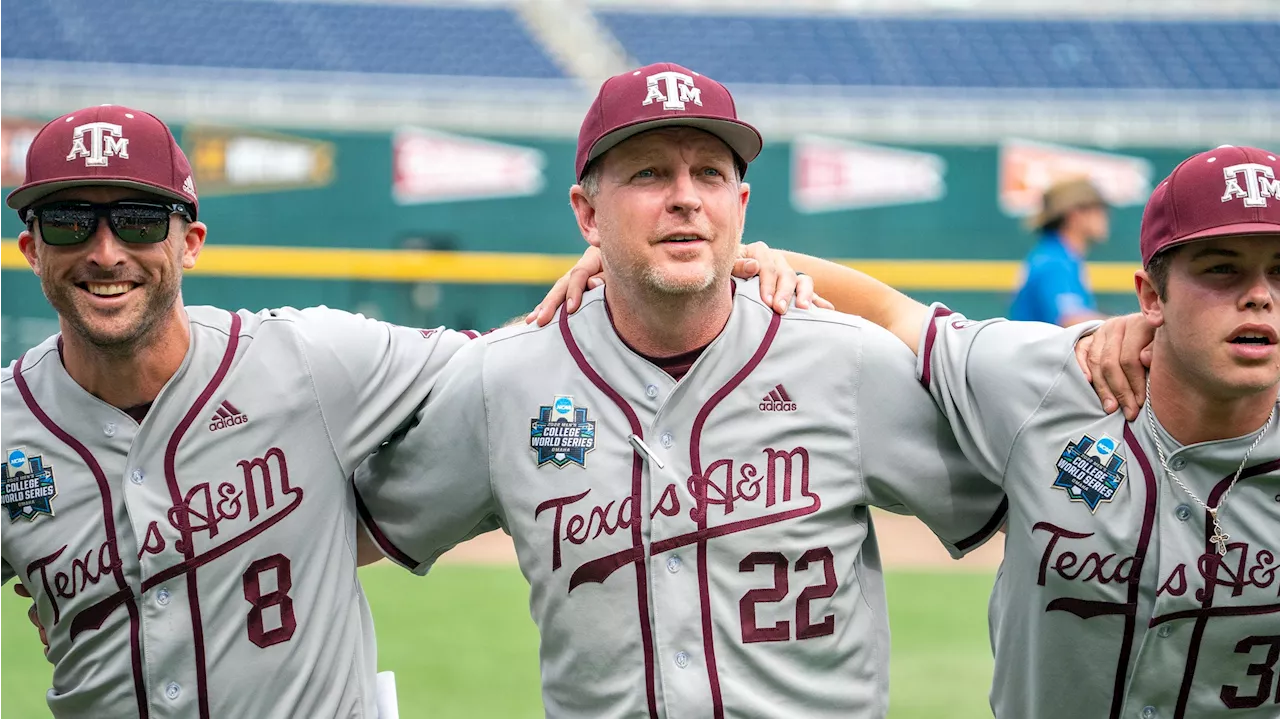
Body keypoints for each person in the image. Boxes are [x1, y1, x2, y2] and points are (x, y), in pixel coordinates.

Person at [0, 103, 817, 718]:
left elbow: (507, 369)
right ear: (32, 246)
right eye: (70, 219)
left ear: (191, 238)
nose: (106, 250)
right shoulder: (9, 426)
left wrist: (632, 270)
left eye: (139, 218)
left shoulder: (307, 361)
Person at [352, 62, 1009, 719]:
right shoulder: (505, 381)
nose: (686, 196)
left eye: (710, 173)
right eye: (649, 173)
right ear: (587, 213)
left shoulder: (844, 360)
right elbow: (347, 535)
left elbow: (1024, 497)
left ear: (740, 206)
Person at [768, 144, 1280, 718]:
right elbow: (896, 314)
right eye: (1222, 267)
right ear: (1151, 295)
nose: (1259, 293)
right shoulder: (1048, 333)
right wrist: (758, 261)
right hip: (1045, 414)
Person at [1010, 176, 1111, 326]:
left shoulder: (1057, 256)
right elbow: (1070, 321)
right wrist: (1126, 325)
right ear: (1075, 215)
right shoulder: (1054, 261)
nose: (1105, 216)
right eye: (1098, 209)